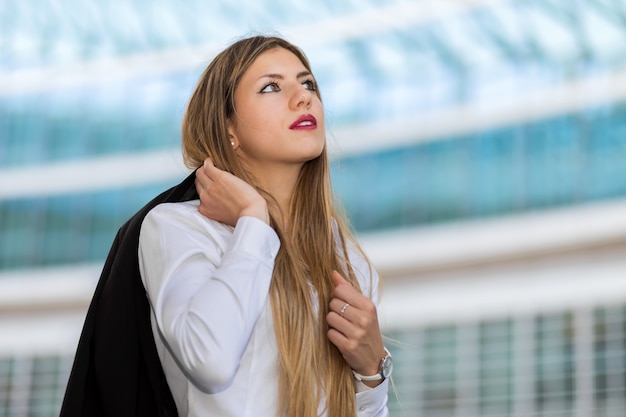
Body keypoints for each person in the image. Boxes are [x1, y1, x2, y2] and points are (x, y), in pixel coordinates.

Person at [63, 34, 391, 417]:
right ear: (228, 128)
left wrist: (372, 373)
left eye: (308, 83)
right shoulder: (177, 228)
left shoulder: (346, 257)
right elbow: (210, 362)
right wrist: (254, 221)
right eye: (271, 86)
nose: (303, 97)